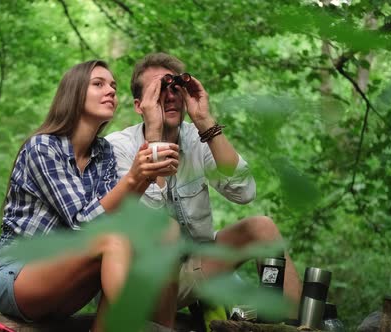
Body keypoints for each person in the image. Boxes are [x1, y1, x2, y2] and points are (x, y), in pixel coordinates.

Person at [0, 60, 180, 332]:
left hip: (71, 278)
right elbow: (82, 223)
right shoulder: (43, 147)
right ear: (74, 94)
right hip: (20, 275)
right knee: (113, 240)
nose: (111, 90)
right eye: (99, 84)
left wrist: (147, 172)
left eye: (113, 86)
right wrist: (136, 176)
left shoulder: (104, 153)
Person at [105, 53, 302, 317]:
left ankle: (292, 322)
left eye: (175, 87)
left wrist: (204, 121)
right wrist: (153, 133)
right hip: (143, 282)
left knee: (262, 228)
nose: (170, 95)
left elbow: (245, 192)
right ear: (140, 106)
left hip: (195, 270)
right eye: (158, 90)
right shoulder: (118, 146)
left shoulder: (197, 139)